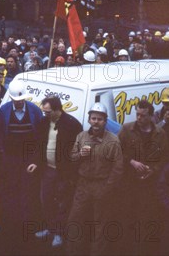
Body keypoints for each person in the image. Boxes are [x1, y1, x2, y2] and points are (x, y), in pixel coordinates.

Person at [66, 102, 124, 256]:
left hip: (102, 184)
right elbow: (71, 158)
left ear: (105, 121)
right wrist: (80, 155)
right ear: (89, 120)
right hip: (83, 184)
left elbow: (117, 169)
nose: (96, 122)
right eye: (93, 118)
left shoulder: (113, 140)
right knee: (74, 220)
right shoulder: (81, 136)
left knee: (101, 224)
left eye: (99, 119)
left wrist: (107, 188)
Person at [26, 96, 82, 248]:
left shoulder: (72, 124)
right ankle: (51, 229)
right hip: (47, 170)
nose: (45, 114)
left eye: (48, 112)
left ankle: (59, 233)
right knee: (47, 200)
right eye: (44, 111)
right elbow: (38, 145)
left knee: (63, 203)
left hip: (64, 172)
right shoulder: (44, 122)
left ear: (58, 109)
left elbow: (76, 151)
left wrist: (72, 173)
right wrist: (35, 162)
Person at [118, 100, 169, 254]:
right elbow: (116, 151)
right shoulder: (127, 129)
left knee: (148, 217)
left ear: (152, 115)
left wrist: (153, 170)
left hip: (151, 185)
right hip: (129, 183)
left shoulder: (160, 133)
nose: (139, 118)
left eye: (143, 115)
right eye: (137, 114)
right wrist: (131, 161)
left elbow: (166, 157)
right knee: (129, 216)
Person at [0, 84, 43, 229]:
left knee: (29, 187)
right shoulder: (4, 110)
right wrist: (2, 155)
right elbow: (0, 134)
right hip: (11, 156)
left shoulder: (35, 110)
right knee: (11, 185)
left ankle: (29, 218)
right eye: (16, 100)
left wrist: (36, 158)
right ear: (11, 98)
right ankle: (12, 219)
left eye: (21, 100)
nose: (19, 102)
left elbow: (40, 136)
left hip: (29, 156)